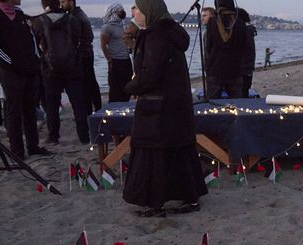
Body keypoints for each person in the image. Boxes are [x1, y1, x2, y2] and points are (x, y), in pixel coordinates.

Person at [123, 0, 207, 217]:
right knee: (176, 151)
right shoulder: (167, 33)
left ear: (149, 11)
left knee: (155, 155)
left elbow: (151, 74)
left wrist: (131, 86)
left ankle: (154, 201)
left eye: (138, 8)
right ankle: (188, 197)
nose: (134, 12)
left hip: (157, 107)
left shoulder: (156, 36)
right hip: (175, 105)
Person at [0, 0, 49, 158]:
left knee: (29, 109)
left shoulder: (19, 13)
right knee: (14, 111)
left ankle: (33, 147)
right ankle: (17, 150)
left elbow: (31, 39)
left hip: (29, 69)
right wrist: (10, 62)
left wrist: (35, 61)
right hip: (10, 71)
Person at [31, 0, 89, 145]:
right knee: (78, 104)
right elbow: (78, 40)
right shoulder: (72, 19)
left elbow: (37, 46)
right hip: (73, 67)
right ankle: (84, 136)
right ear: (59, 3)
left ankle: (53, 136)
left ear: (44, 5)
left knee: (51, 105)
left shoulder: (38, 21)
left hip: (50, 69)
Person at [61, 0, 101, 114]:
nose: (61, 5)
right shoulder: (81, 14)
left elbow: (74, 39)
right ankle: (97, 107)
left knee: (85, 85)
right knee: (91, 82)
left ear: (71, 2)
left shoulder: (73, 17)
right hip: (88, 52)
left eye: (63, 2)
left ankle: (88, 111)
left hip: (82, 55)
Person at [204, 0, 248, 99]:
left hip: (216, 69)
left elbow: (208, 46)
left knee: (212, 104)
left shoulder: (212, 22)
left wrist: (208, 66)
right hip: (235, 69)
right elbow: (244, 46)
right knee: (238, 104)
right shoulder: (240, 22)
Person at [101, 3, 133, 102]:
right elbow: (103, 45)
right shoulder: (107, 27)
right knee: (115, 87)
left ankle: (124, 105)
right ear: (114, 12)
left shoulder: (123, 25)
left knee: (127, 85)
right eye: (120, 11)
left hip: (126, 60)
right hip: (115, 60)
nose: (122, 13)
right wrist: (109, 60)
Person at [239, 8, 256, 97]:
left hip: (243, 70)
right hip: (247, 69)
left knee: (242, 94)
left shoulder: (244, 33)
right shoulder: (249, 32)